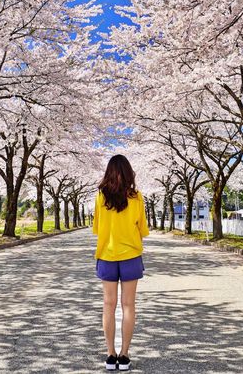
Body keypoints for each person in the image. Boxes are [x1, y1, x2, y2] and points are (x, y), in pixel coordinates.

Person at [92, 154, 149, 371]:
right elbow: (142, 229)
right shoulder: (137, 197)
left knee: (108, 305)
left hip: (107, 255)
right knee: (128, 306)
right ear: (128, 173)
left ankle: (110, 355)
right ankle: (124, 355)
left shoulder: (100, 197)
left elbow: (97, 228)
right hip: (131, 256)